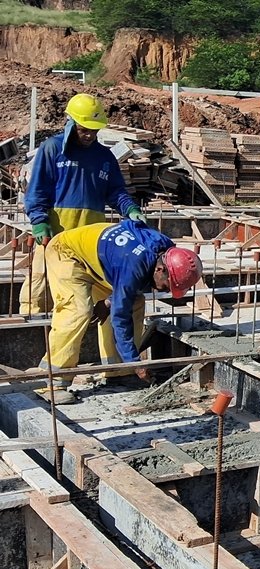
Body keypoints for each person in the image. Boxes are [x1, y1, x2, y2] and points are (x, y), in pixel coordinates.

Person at [37, 220, 202, 404]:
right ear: (160, 269)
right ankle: (51, 382)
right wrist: (135, 362)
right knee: (78, 310)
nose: (166, 290)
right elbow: (120, 319)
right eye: (167, 285)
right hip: (66, 252)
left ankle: (119, 371)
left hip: (100, 260)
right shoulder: (134, 266)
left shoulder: (166, 249)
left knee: (135, 301)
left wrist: (109, 301)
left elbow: (132, 225)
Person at [22, 93, 145, 315]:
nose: (89, 135)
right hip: (56, 231)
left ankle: (88, 326)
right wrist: (39, 221)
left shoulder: (104, 157)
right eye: (84, 129)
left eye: (94, 130)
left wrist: (130, 209)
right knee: (40, 281)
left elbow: (116, 192)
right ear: (71, 122)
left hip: (89, 236)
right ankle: (29, 324)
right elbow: (37, 189)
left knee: (89, 284)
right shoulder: (53, 149)